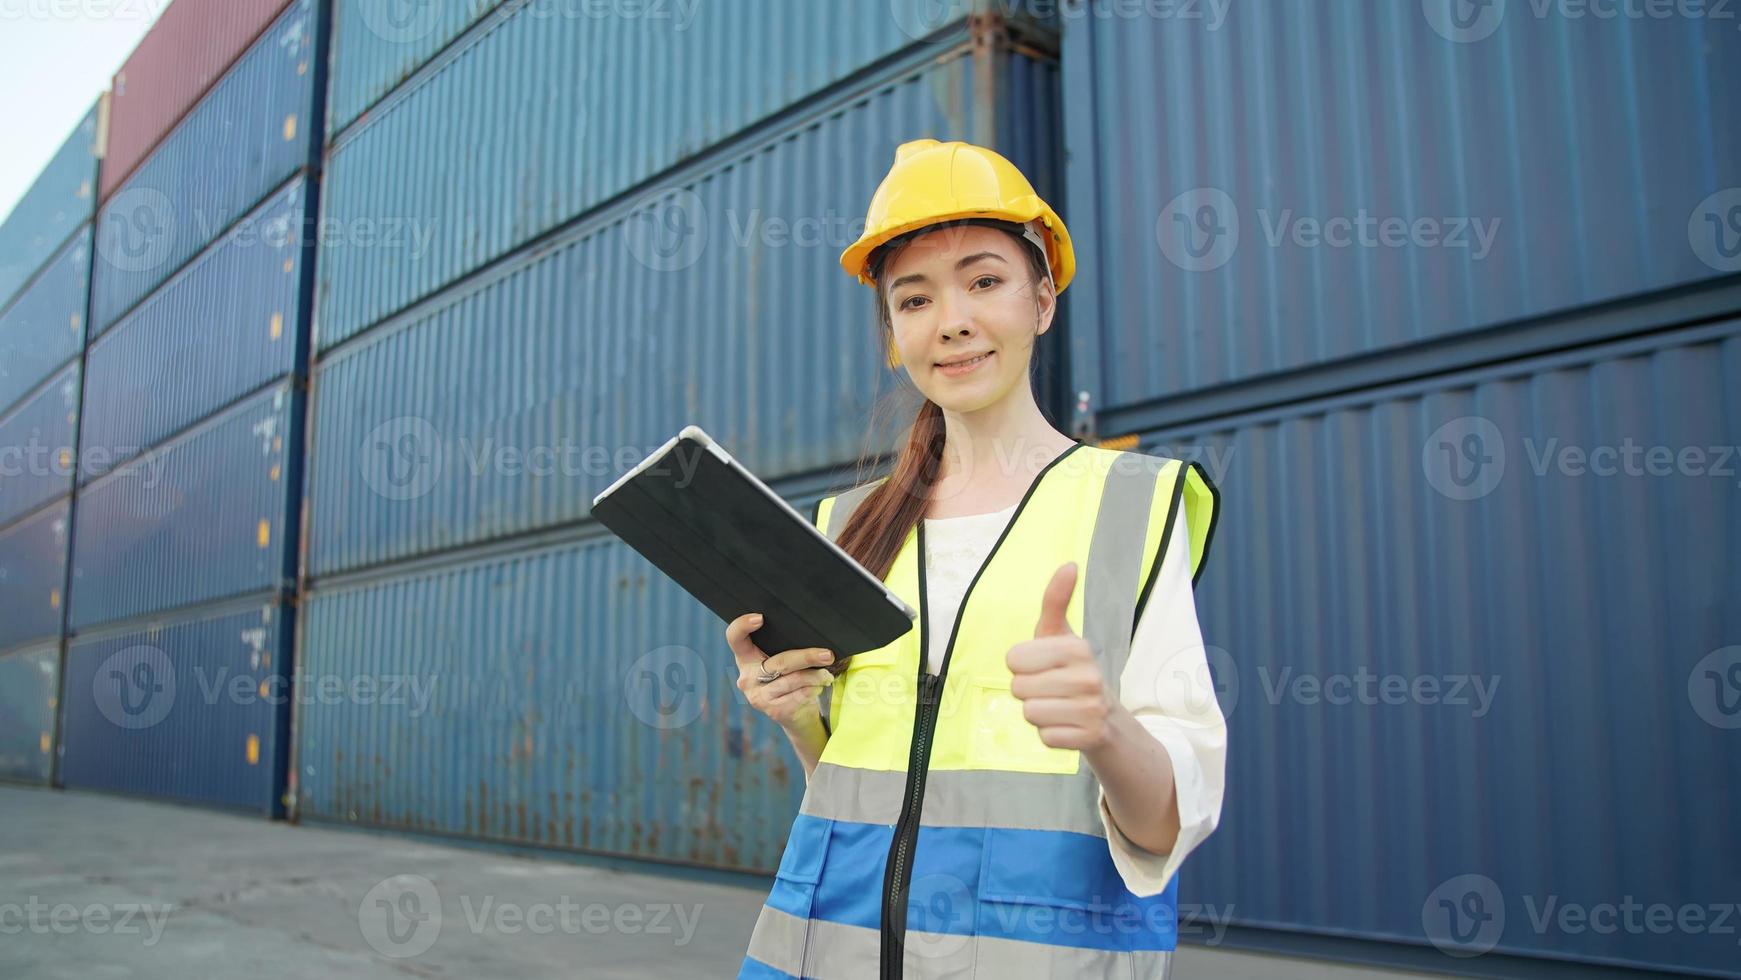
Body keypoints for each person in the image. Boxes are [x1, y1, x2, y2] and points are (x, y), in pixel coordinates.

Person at [727, 139, 1225, 979]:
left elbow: (1166, 825)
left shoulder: (1133, 505)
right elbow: (847, 789)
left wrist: (1103, 728)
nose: (950, 319)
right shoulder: (848, 523)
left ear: (1042, 300)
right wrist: (798, 716)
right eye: (913, 298)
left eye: (983, 281)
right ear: (892, 335)